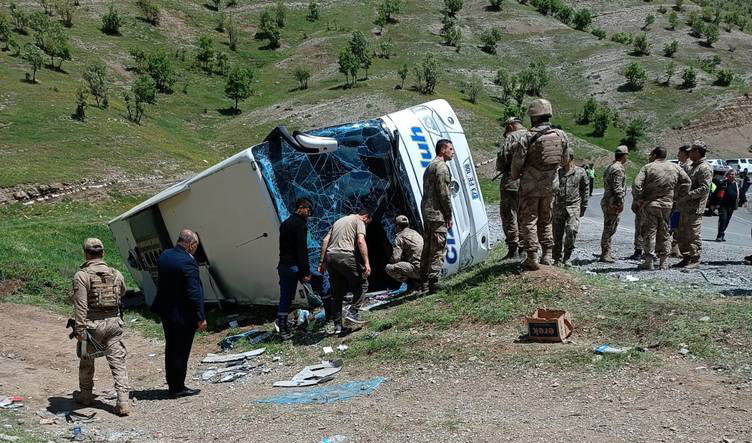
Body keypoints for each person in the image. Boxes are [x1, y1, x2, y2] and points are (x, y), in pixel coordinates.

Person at [511, 99, 571, 270]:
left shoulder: (526, 137)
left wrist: (517, 175)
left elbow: (517, 164)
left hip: (530, 187)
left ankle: (532, 256)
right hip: (550, 186)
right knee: (546, 219)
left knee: (529, 220)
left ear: (533, 116)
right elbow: (565, 160)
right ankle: (548, 254)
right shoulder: (561, 135)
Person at [72, 238, 130, 416]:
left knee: (86, 361)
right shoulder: (116, 273)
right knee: (118, 362)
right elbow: (123, 291)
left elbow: (80, 306)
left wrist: (79, 330)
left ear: (86, 253)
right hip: (114, 324)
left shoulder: (82, 276)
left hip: (91, 326)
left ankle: (86, 395)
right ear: (103, 253)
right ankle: (123, 402)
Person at [152, 229, 206, 398]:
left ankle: (172, 383)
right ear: (191, 245)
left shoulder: (165, 255)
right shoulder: (188, 262)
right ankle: (178, 387)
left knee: (171, 348)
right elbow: (193, 292)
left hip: (167, 311)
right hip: (183, 314)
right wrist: (201, 317)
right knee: (181, 350)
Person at [632, 147, 691, 270]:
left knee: (650, 232)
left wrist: (639, 198)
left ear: (654, 155)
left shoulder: (648, 167)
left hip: (651, 204)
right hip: (667, 205)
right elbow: (687, 182)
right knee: (664, 231)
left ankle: (649, 261)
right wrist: (677, 197)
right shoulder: (675, 167)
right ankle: (664, 262)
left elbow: (637, 184)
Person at [317, 210, 372, 335]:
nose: (366, 225)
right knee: (362, 283)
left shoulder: (338, 221)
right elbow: (360, 241)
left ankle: (338, 326)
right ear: (366, 217)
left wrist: (322, 262)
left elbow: (325, 240)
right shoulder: (359, 221)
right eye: (368, 223)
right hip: (345, 255)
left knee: (337, 292)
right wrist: (367, 263)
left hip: (330, 258)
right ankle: (353, 312)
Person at [419, 139, 455, 293]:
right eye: (450, 149)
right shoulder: (441, 167)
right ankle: (434, 282)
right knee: (438, 247)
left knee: (427, 247)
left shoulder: (429, 166)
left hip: (427, 212)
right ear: (442, 150)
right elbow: (444, 193)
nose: (452, 152)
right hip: (437, 213)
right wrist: (449, 214)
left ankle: (424, 282)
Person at [276, 198, 314, 340]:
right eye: (308, 211)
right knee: (322, 284)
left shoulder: (285, 223)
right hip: (295, 267)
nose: (309, 214)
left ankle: (283, 329)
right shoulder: (300, 225)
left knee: (285, 298)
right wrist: (306, 272)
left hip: (283, 265)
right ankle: (332, 317)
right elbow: (301, 250)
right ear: (301, 208)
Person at [675, 141, 713, 269]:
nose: (689, 153)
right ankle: (686, 257)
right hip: (685, 207)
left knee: (693, 234)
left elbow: (704, 188)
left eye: (691, 151)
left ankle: (694, 259)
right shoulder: (692, 166)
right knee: (681, 233)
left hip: (695, 208)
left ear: (697, 151)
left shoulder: (704, 168)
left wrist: (688, 195)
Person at [496, 117, 525, 260]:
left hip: (511, 183)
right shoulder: (531, 135)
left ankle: (513, 249)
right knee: (524, 216)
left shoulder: (512, 137)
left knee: (509, 215)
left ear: (511, 126)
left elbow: (501, 160)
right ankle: (524, 249)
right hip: (529, 183)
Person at [552, 152, 588, 266]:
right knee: (557, 234)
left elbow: (585, 189)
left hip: (573, 205)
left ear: (570, 158)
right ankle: (557, 258)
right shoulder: (557, 172)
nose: (561, 160)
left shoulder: (580, 172)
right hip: (558, 206)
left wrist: (584, 206)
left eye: (564, 158)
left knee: (572, 230)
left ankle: (567, 257)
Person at [599, 146, 629, 263]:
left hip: (608, 200)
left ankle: (607, 252)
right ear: (624, 155)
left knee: (609, 227)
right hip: (613, 202)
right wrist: (620, 202)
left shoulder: (610, 167)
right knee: (609, 228)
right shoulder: (618, 169)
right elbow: (618, 188)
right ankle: (605, 253)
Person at [385, 215, 424, 291]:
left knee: (389, 268)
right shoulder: (415, 233)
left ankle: (413, 284)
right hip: (428, 266)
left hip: (418, 270)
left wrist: (390, 259)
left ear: (397, 226)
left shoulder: (399, 237)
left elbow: (396, 258)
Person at [670, 145, 692, 257]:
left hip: (680, 200)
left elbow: (684, 184)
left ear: (684, 153)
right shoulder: (683, 166)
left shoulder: (687, 167)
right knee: (675, 224)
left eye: (679, 153)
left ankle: (677, 248)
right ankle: (674, 248)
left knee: (677, 224)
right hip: (679, 200)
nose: (678, 155)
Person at [714, 169, 746, 242]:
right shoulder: (723, 183)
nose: (731, 175)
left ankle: (722, 234)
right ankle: (719, 235)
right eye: (730, 174)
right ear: (727, 175)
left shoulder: (737, 185)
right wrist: (713, 203)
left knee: (727, 221)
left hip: (732, 206)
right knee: (723, 220)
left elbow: (742, 193)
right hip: (722, 205)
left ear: (735, 175)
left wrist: (744, 201)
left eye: (733, 174)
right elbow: (716, 193)